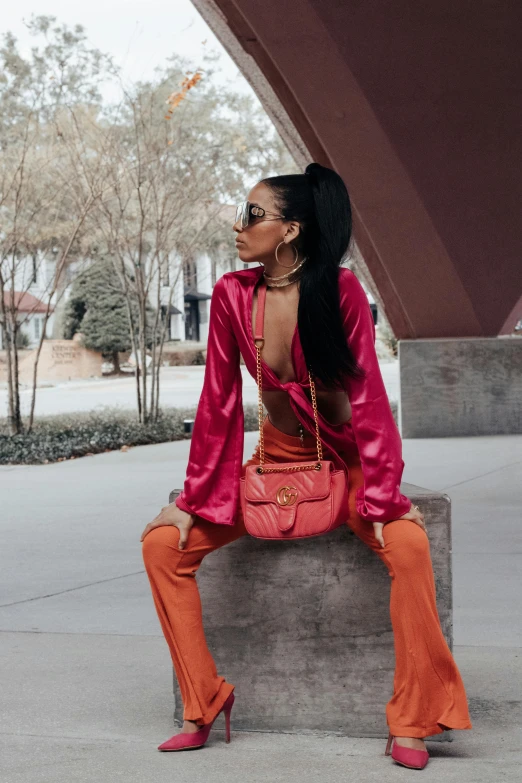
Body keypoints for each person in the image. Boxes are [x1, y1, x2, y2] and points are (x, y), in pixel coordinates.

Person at [141, 163, 472, 768]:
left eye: (252, 215)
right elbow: (217, 401)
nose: (238, 225)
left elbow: (369, 399)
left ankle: (412, 717)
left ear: (290, 229)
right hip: (276, 460)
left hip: (348, 462)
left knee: (410, 548)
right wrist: (192, 500)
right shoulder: (231, 295)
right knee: (163, 545)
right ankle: (204, 700)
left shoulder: (339, 291)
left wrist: (381, 501)